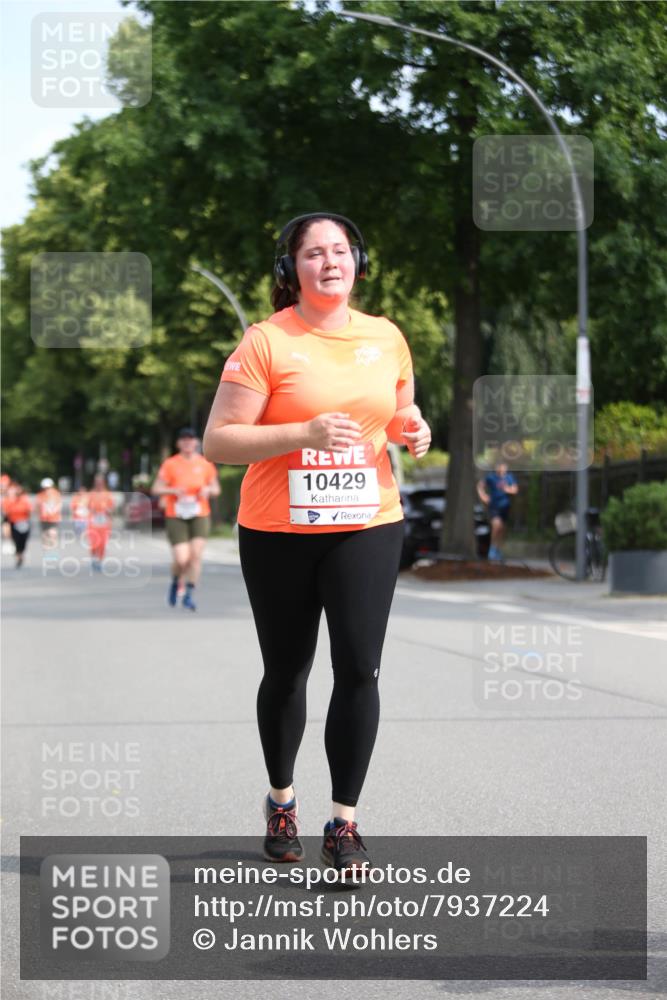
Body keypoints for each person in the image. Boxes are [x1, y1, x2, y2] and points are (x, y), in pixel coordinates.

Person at [203, 212, 431, 874]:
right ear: (290, 270)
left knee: (360, 667)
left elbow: (397, 412)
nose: (330, 262)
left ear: (357, 262)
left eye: (340, 251)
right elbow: (220, 440)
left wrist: (412, 430)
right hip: (278, 530)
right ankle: (281, 799)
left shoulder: (385, 336)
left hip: (366, 521)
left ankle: (344, 823)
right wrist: (301, 433)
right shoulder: (266, 341)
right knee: (288, 669)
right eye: (313, 254)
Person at [151, 428, 220, 611]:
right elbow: (156, 488)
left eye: (191, 439)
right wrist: (173, 491)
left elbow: (216, 489)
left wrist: (207, 491)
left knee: (195, 556)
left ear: (196, 442)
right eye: (184, 440)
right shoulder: (170, 464)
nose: (188, 443)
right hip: (176, 514)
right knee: (182, 559)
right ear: (179, 443)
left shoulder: (205, 463)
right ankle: (175, 581)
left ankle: (189, 594)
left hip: (199, 513)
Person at [477, 461, 519, 561]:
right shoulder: (491, 477)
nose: (501, 468)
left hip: (505, 506)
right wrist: (483, 496)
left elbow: (515, 490)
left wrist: (507, 489)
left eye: (503, 466)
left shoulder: (509, 477)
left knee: (501, 530)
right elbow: (480, 485)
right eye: (499, 466)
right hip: (494, 506)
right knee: (496, 526)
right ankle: (492, 550)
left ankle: (498, 550)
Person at [86, 474, 115, 570]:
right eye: (96, 482)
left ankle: (100, 561)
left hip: (104, 523)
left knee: (102, 543)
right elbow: (88, 506)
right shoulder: (91, 494)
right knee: (94, 543)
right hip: (93, 522)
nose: (98, 484)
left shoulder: (108, 494)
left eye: (100, 482)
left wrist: (108, 511)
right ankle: (94, 558)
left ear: (103, 482)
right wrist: (93, 510)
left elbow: (112, 508)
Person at [3, 483, 33, 568]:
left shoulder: (25, 500)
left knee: (23, 541)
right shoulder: (10, 501)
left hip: (24, 523)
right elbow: (6, 514)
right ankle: (18, 556)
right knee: (16, 541)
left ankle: (21, 553)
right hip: (14, 523)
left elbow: (29, 511)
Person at [35, 478, 62, 549]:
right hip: (44, 517)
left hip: (53, 517)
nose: (47, 489)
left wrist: (54, 511)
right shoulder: (41, 495)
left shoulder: (56, 494)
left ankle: (52, 542)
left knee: (52, 530)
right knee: (45, 531)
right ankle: (47, 543)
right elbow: (38, 505)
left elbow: (59, 504)